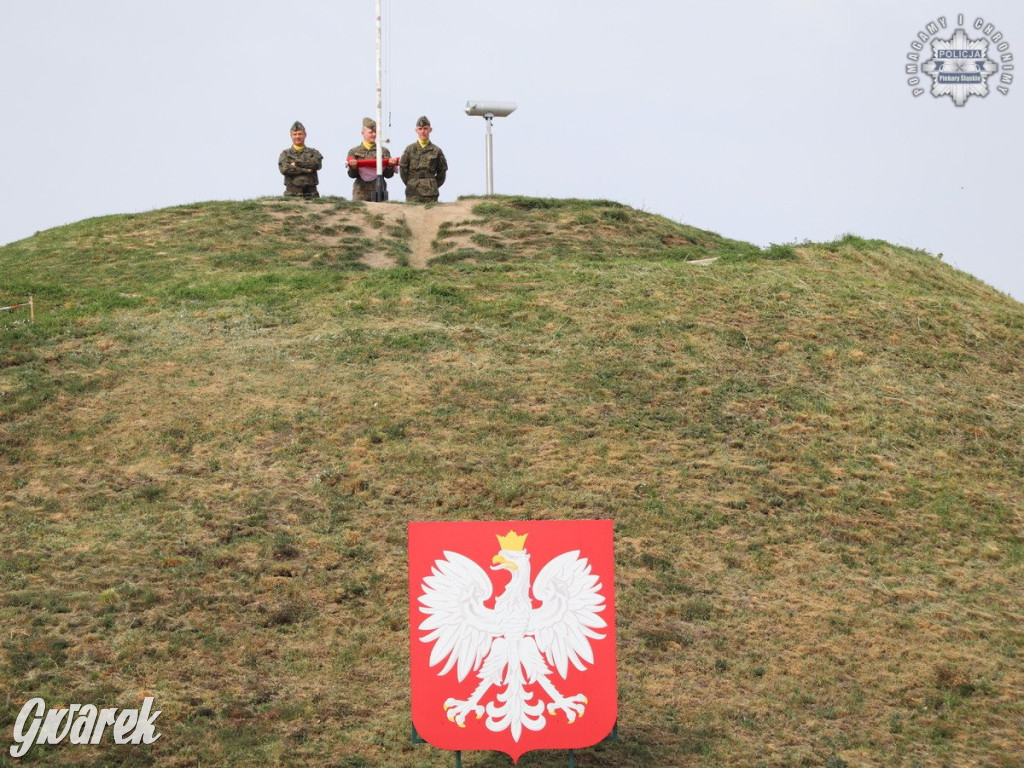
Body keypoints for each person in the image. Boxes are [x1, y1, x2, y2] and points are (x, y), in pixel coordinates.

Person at [346, 118, 398, 202]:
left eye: (375, 132)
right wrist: (353, 167)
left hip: (379, 191)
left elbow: (389, 175)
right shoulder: (354, 152)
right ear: (363, 133)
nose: (373, 134)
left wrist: (390, 166)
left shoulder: (383, 151)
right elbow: (352, 175)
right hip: (360, 192)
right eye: (370, 132)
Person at [400, 116, 447, 203]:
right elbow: (403, 170)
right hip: (413, 191)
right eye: (420, 129)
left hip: (430, 193)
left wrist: (433, 185)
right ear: (416, 130)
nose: (423, 132)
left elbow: (442, 173)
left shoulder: (436, 151)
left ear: (430, 130)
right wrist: (411, 183)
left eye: (425, 128)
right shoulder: (409, 150)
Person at [278, 121, 323, 198]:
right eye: (295, 134)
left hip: (312, 195)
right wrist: (306, 170)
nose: (297, 137)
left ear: (305, 135)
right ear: (291, 136)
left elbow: (316, 164)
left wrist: (296, 164)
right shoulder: (285, 154)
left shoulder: (313, 152)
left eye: (300, 134)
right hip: (292, 195)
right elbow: (285, 169)